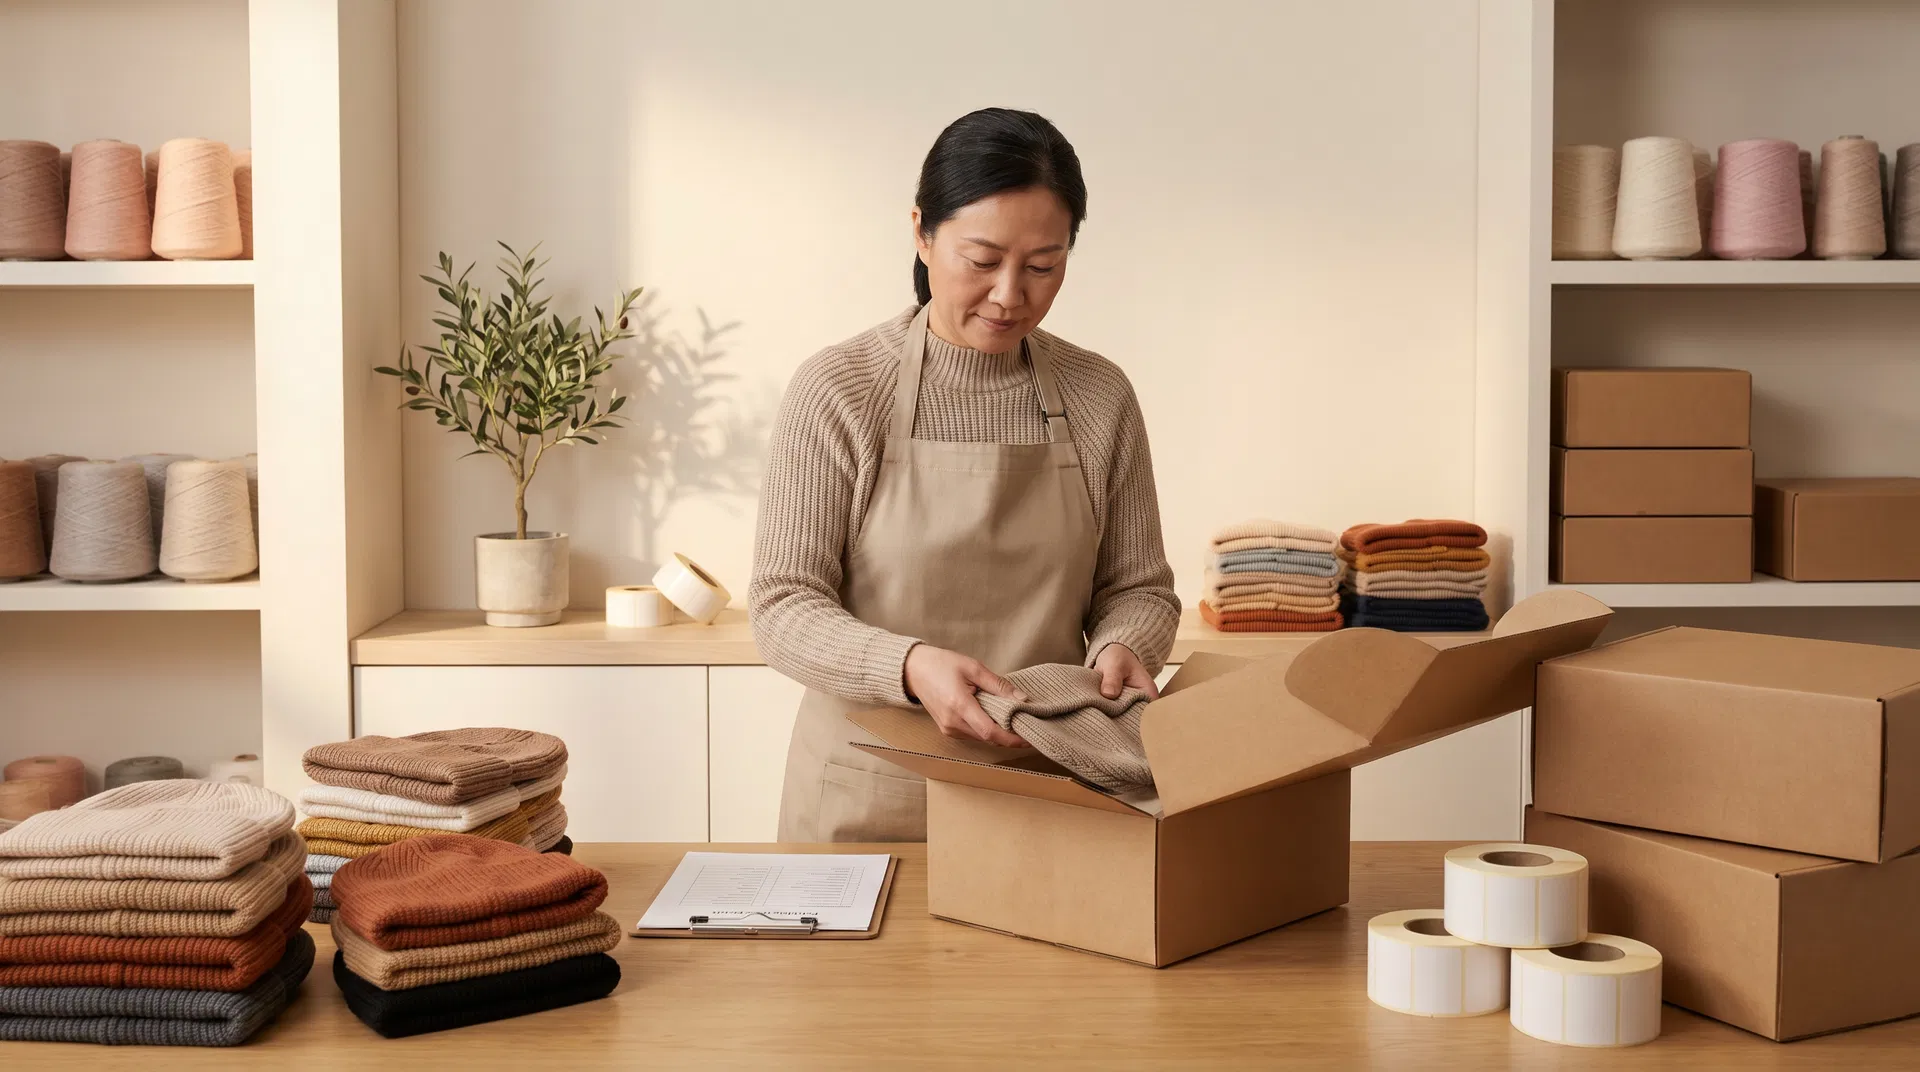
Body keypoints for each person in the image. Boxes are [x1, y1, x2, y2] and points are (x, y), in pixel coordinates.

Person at [749, 107, 1179, 842]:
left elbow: (1138, 588)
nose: (1012, 294)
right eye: (982, 260)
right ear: (921, 232)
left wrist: (1123, 646)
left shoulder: (1100, 395)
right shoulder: (839, 389)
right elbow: (783, 604)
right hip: (866, 795)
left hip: (1050, 788)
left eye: (1043, 266)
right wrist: (909, 665)